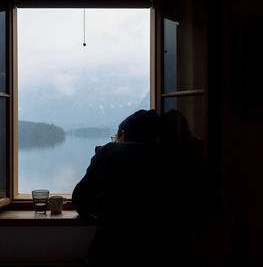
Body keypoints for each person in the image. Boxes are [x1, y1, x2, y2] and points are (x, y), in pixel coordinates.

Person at [73, 109, 203, 266]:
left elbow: (80, 199)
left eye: (116, 137)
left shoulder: (107, 152)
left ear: (123, 135)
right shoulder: (172, 158)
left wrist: (101, 215)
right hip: (162, 256)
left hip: (107, 255)